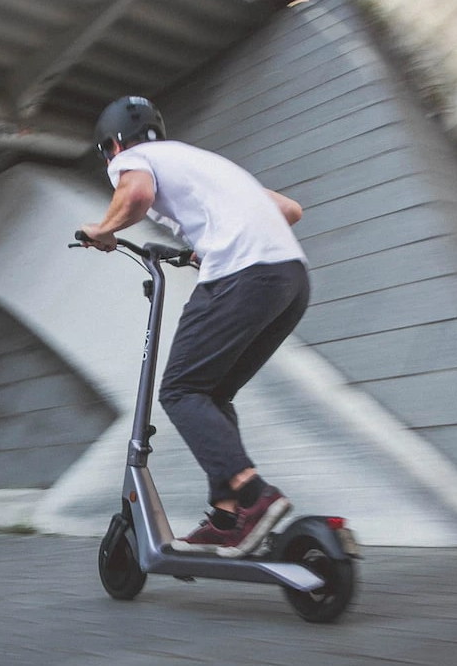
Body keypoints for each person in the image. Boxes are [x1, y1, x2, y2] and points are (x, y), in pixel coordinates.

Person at [80, 96, 309, 558]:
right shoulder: (200, 161)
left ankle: (253, 494)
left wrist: (103, 229)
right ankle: (227, 518)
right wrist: (205, 244)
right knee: (212, 394)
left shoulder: (133, 160)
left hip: (243, 274)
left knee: (180, 391)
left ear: (113, 145)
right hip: (290, 280)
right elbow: (289, 209)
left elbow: (137, 194)